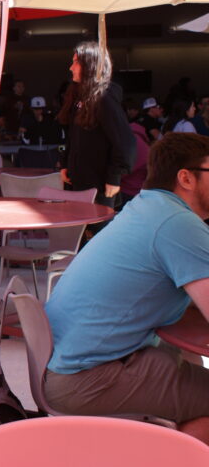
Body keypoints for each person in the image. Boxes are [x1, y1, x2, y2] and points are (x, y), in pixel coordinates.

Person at [44, 133, 209, 445]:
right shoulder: (177, 223)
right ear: (186, 178)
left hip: (74, 362)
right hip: (88, 378)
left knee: (190, 362)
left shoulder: (147, 207)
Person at [56, 42, 135, 212]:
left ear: (90, 65)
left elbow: (124, 142)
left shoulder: (104, 98)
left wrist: (114, 178)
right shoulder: (79, 97)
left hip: (99, 186)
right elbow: (73, 136)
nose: (71, 68)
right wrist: (65, 164)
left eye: (76, 62)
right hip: (77, 181)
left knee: (97, 235)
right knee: (80, 235)